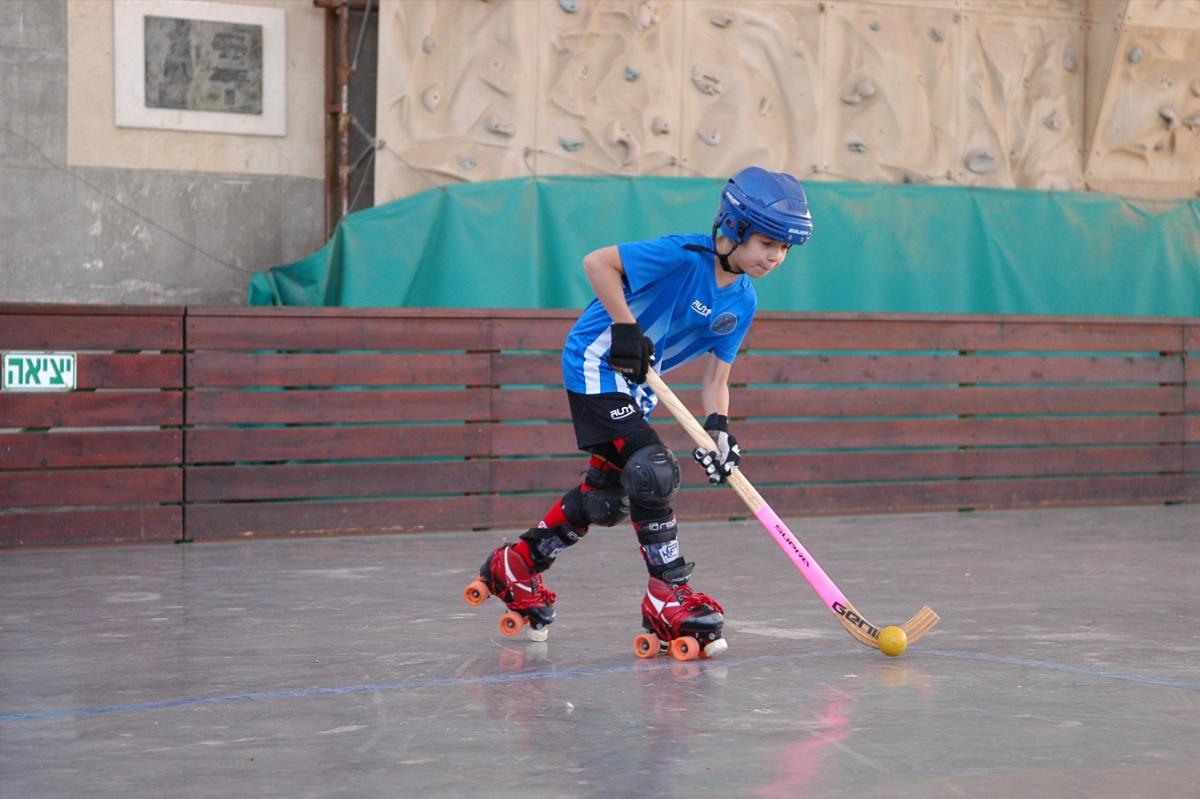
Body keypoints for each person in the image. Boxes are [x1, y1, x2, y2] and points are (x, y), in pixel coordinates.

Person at [464, 166, 813, 657]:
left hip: (637, 386)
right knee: (653, 470)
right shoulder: (683, 256)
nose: (775, 257)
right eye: (766, 243)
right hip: (595, 362)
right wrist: (626, 328)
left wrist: (719, 430)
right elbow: (597, 263)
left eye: (784, 249)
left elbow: (717, 380)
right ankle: (666, 595)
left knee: (604, 500)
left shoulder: (744, 302)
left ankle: (515, 566)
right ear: (733, 228)